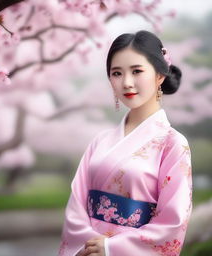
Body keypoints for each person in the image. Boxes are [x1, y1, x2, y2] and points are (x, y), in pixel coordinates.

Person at [58, 30, 192, 256]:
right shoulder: (100, 141)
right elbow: (76, 206)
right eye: (117, 73)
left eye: (137, 71)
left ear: (160, 75)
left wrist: (111, 248)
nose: (127, 82)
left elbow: (173, 221)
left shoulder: (173, 144)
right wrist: (90, 246)